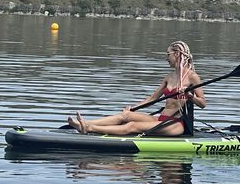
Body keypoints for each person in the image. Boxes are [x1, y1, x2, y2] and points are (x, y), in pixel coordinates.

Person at [68, 40, 206, 136]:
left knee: (132, 126)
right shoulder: (169, 77)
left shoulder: (192, 77)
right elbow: (152, 98)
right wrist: (133, 108)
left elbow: (203, 103)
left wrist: (190, 96)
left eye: (168, 54)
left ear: (177, 54)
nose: (166, 58)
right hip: (161, 119)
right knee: (126, 115)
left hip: (175, 124)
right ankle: (86, 123)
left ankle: (90, 128)